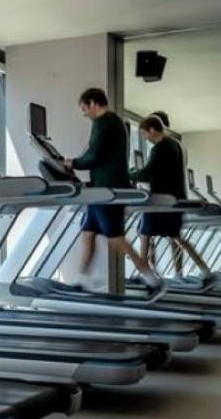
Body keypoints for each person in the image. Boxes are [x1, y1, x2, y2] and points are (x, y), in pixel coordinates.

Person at [63, 88, 167, 300]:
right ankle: (82, 281)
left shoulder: (103, 123)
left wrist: (72, 162)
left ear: (93, 103)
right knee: (88, 233)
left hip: (106, 190)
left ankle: (153, 281)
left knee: (116, 239)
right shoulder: (116, 122)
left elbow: (94, 155)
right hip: (100, 189)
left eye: (84, 109)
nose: (84, 114)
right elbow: (99, 153)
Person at [131, 112, 217, 288]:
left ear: (153, 130)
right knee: (176, 237)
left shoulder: (160, 148)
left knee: (145, 234)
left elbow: (148, 173)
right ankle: (205, 270)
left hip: (161, 201)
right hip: (174, 199)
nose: (145, 138)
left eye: (144, 134)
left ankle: (146, 275)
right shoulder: (175, 145)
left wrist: (127, 175)